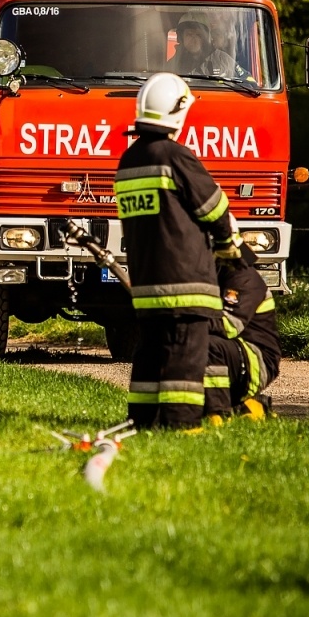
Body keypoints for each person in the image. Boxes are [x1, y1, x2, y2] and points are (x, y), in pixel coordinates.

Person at [112, 72, 238, 429]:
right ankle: (183, 426)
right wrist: (232, 248)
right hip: (185, 283)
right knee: (186, 354)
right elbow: (213, 208)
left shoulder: (128, 161)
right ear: (178, 112)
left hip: (147, 285)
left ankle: (143, 420)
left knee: (150, 353)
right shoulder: (176, 156)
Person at [205, 238, 281, 421]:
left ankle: (217, 415)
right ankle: (246, 407)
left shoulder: (243, 277)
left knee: (207, 346)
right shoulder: (214, 274)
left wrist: (185, 323)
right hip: (235, 354)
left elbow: (229, 325)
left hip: (257, 360)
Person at [167, 18, 239, 79]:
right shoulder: (174, 63)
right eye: (189, 34)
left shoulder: (224, 60)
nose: (193, 38)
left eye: (198, 35)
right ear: (181, 38)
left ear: (206, 38)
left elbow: (246, 82)